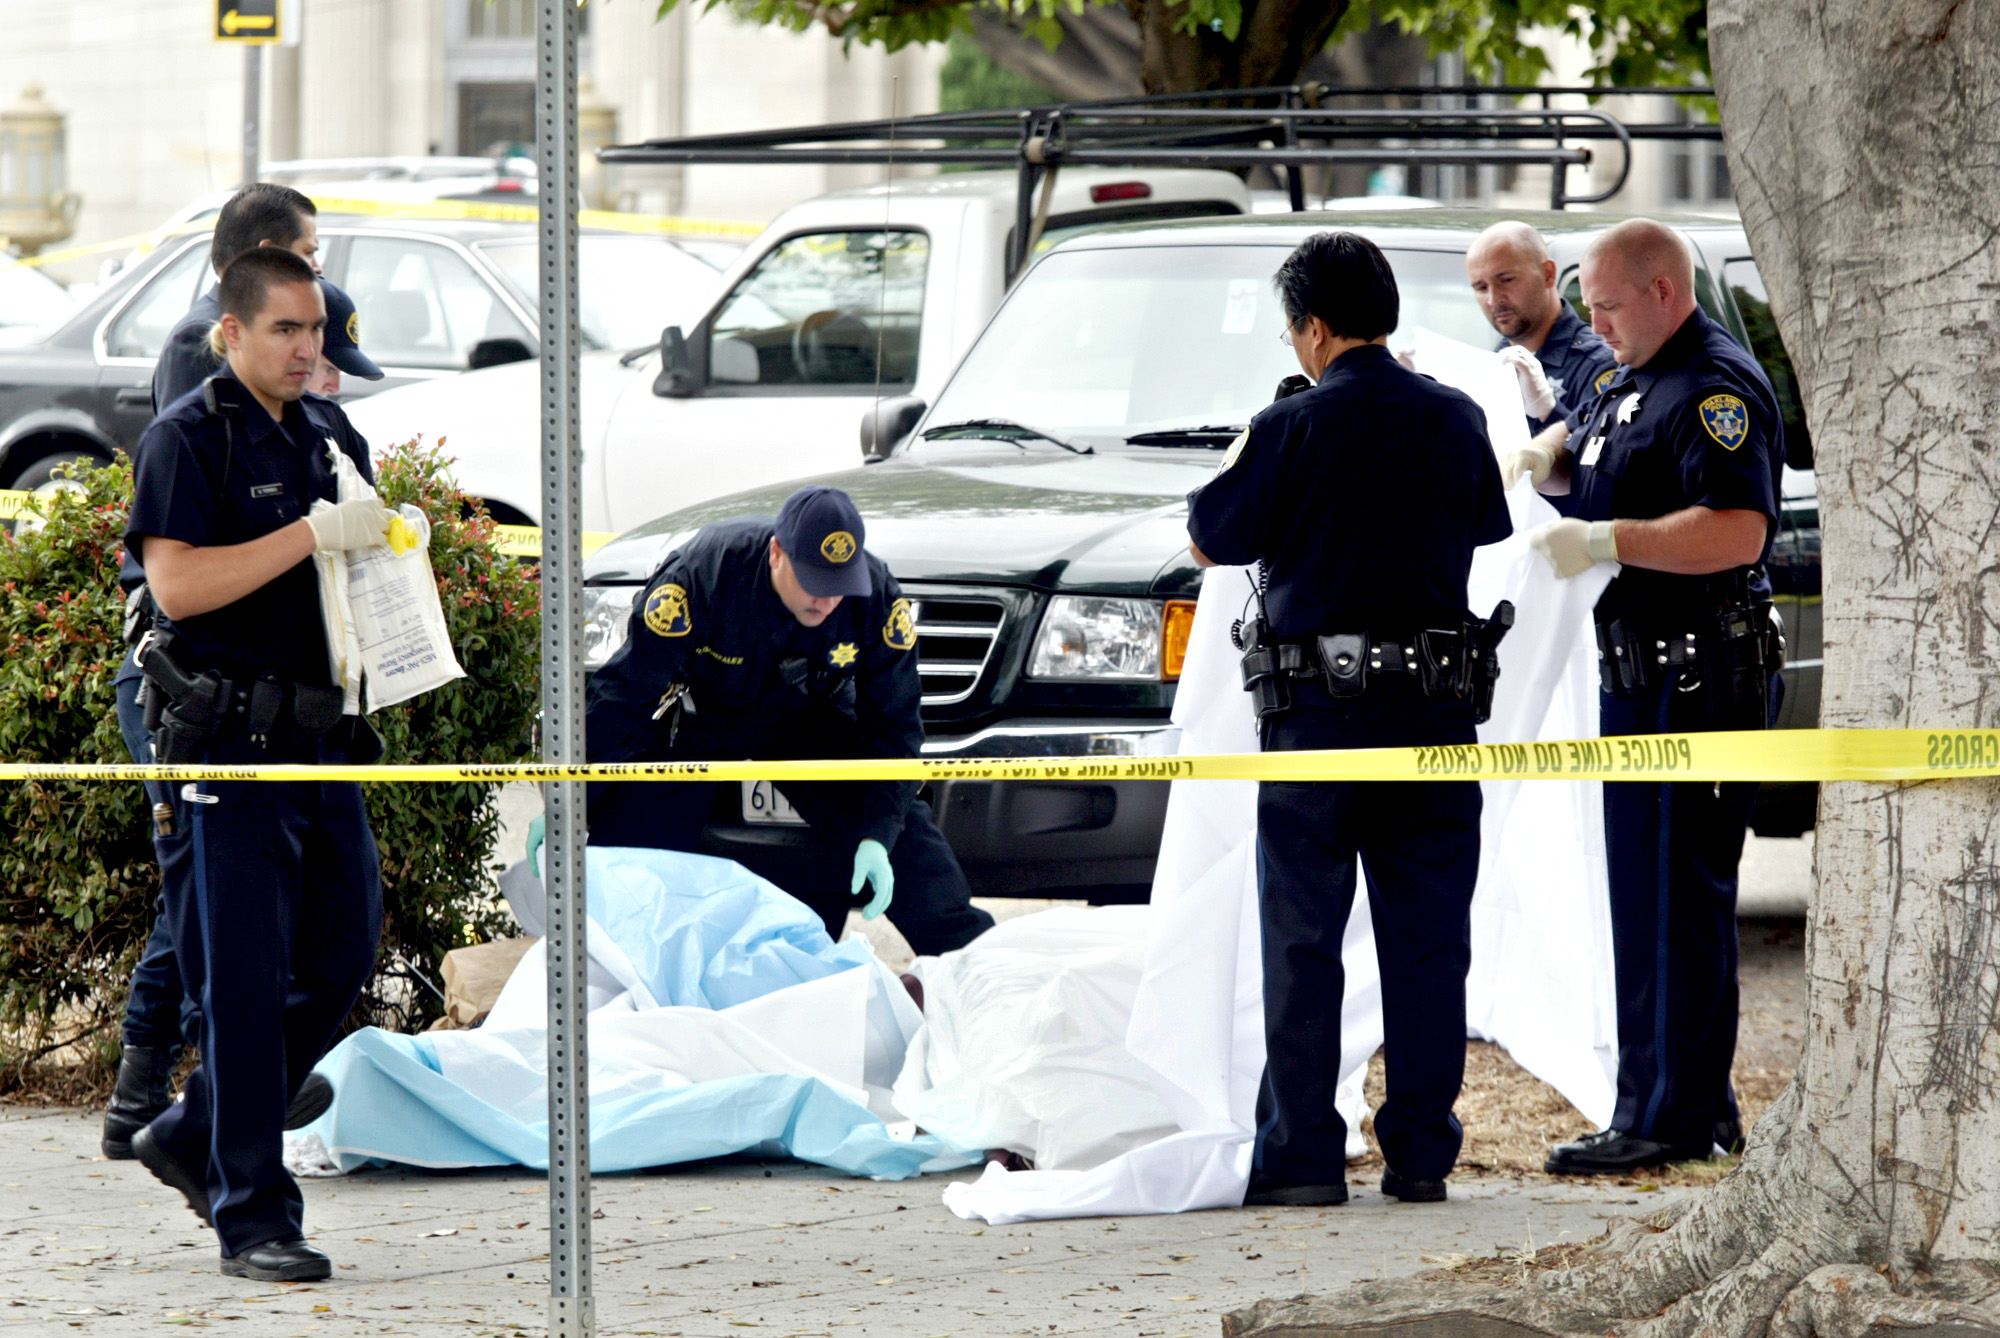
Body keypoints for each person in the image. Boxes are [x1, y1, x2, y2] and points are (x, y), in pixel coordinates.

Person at [1186, 232, 1512, 1207]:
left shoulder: (1288, 426)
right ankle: (1419, 1155)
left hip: (1316, 725)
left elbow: (1209, 538)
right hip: (1434, 720)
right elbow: (1485, 523)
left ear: (1316, 330)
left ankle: (1301, 1160)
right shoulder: (1454, 418)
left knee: (1302, 942)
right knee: (1427, 945)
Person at [124, 246, 394, 1281]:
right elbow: (179, 587)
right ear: (230, 332)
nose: (306, 347)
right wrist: (310, 535)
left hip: (321, 739)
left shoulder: (326, 430)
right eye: (286, 328)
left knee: (341, 951)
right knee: (241, 986)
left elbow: (350, 569)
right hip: (228, 744)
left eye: (314, 328)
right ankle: (254, 1216)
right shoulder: (188, 438)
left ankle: (194, 1132)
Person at [1526, 219, 1783, 1174]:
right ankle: (1679, 1105)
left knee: (1678, 898)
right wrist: (1551, 467)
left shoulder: (1712, 386)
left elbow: (1737, 530)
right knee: (1645, 896)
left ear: (1664, 292)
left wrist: (1607, 542)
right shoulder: (1635, 374)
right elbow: (1607, 465)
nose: (1592, 324)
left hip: (1699, 675)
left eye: (1606, 305)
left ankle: (1670, 1121)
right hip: (1645, 674)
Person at [585, 485, 995, 957]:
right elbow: (625, 694)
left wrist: (879, 834)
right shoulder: (704, 575)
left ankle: (971, 968)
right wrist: (568, 802)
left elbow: (895, 728)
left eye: (839, 585)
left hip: (812, 722)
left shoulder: (875, 598)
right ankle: (606, 958)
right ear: (777, 553)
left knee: (907, 842)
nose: (827, 601)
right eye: (814, 581)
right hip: (709, 720)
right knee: (626, 843)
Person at [152, 183, 322, 414]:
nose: (317, 267)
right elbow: (185, 432)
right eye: (308, 253)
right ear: (268, 253)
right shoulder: (198, 337)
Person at [1465, 220, 1617, 440]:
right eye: (1481, 287)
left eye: (1506, 280)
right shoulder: (1489, 365)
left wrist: (1548, 411)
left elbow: (1603, 454)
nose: (1493, 299)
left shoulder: (1599, 364)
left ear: (1547, 274)